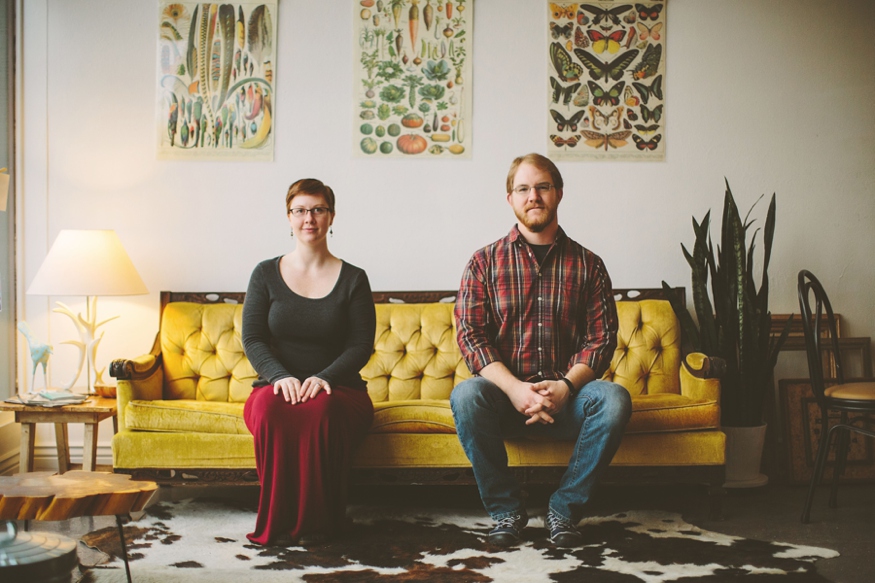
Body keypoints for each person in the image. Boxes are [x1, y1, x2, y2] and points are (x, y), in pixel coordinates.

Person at [451, 153, 632, 548]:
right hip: (503, 402)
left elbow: (601, 339)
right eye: (523, 189)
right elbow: (471, 336)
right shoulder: (483, 263)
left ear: (559, 193)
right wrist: (517, 390)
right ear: (510, 199)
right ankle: (506, 510)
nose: (533, 196)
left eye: (543, 187)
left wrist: (565, 387)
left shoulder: (589, 265)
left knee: (615, 398)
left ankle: (564, 511)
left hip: (568, 401)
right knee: (466, 395)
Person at [242, 178, 376, 546]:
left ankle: (318, 528)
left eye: (318, 209)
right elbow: (252, 339)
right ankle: (277, 526)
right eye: (300, 210)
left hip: (340, 389)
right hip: (273, 386)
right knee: (271, 407)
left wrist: (323, 378)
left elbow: (361, 345)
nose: (309, 218)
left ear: (331, 216)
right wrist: (279, 377)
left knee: (321, 409)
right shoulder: (265, 274)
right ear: (288, 218)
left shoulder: (354, 279)